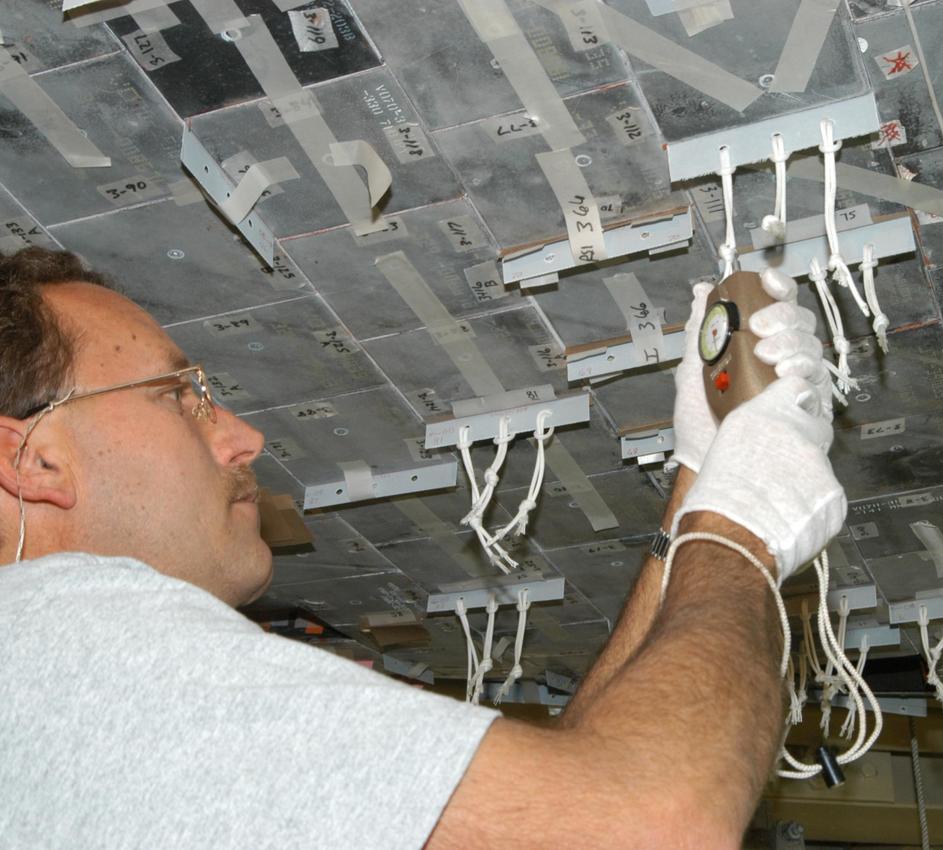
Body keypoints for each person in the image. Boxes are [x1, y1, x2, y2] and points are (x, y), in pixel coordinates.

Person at [0, 246, 846, 849]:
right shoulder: (77, 649)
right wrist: (740, 532)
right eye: (181, 396)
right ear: (33, 458)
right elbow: (654, 830)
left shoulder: (61, 705)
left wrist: (699, 482)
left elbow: (567, 809)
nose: (244, 437)